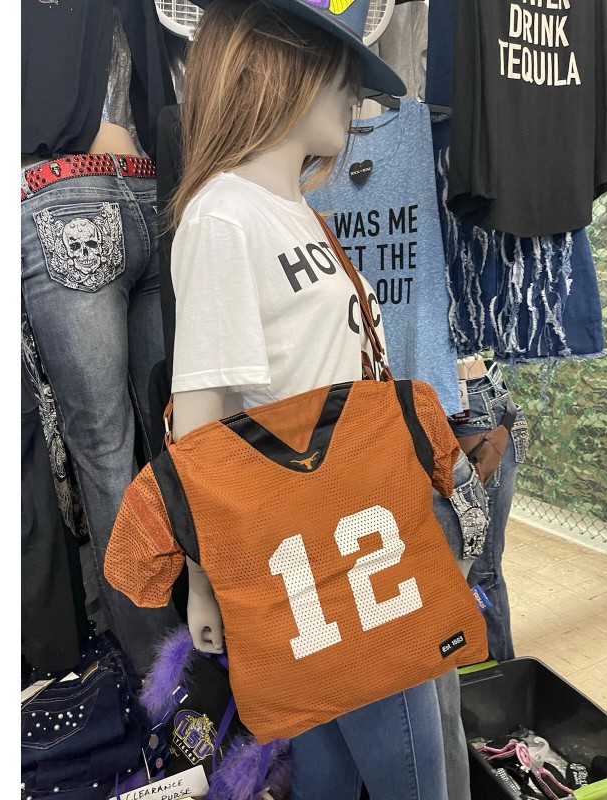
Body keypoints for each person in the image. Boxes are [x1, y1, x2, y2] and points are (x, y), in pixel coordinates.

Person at [165, 0, 466, 797]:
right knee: (410, 781)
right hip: (324, 562)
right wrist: (205, 580)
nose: (354, 95)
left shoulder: (291, 209)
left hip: (360, 545)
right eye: (341, 72)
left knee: (334, 776)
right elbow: (201, 423)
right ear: (282, 66)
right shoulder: (224, 216)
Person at [21, 0, 183, 677]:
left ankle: (163, 677)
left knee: (105, 450)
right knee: (177, 433)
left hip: (63, 187)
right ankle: (215, 644)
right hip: (155, 180)